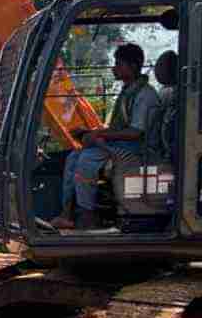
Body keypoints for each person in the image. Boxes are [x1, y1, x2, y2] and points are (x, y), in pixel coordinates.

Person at [52, 43, 160, 230]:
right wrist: (91, 133)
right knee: (74, 156)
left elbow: (135, 133)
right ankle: (67, 214)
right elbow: (118, 127)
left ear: (133, 67)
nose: (114, 68)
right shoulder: (128, 91)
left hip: (137, 148)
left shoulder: (145, 94)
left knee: (87, 159)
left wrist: (99, 134)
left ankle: (88, 216)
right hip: (124, 144)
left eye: (119, 64)